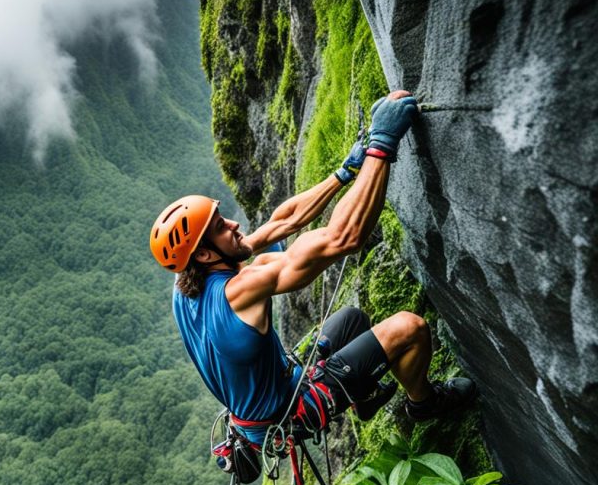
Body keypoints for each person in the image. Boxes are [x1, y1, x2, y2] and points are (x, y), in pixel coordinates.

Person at [149, 90, 475, 448]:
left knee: (352, 319)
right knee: (409, 329)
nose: (232, 225)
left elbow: (279, 223)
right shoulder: (241, 289)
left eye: (221, 217)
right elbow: (342, 238)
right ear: (207, 256)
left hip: (264, 405)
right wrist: (381, 146)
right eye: (219, 228)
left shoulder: (185, 287)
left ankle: (363, 399)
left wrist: (344, 172)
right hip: (288, 413)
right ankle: (424, 403)